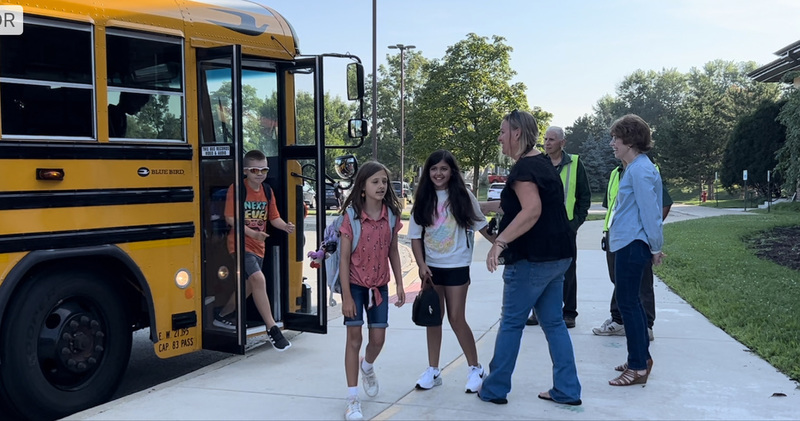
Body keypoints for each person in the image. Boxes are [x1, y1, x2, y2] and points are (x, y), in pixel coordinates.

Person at [477, 110, 581, 406]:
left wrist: (499, 243)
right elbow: (517, 204)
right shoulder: (542, 164)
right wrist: (477, 205)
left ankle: (495, 388)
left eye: (502, 132)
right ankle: (567, 389)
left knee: (511, 323)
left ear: (517, 133)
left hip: (531, 260)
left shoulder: (523, 169)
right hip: (558, 258)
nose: (500, 138)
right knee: (554, 324)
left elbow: (532, 210)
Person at [407, 150, 495, 393]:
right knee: (433, 319)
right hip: (431, 269)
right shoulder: (423, 198)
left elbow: (481, 225)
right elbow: (415, 237)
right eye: (434, 169)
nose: (438, 173)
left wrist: (500, 244)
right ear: (428, 172)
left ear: (452, 171)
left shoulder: (463, 195)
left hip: (457, 265)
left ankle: (475, 368)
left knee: (456, 318)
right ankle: (433, 370)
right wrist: (421, 265)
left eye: (443, 169)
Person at [338, 161, 406, 421]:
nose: (381, 186)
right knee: (354, 339)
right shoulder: (352, 217)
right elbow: (344, 259)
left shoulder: (391, 216)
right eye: (375, 181)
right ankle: (352, 399)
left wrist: (399, 283)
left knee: (378, 339)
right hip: (355, 286)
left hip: (379, 286)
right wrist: (346, 296)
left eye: (384, 181)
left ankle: (367, 366)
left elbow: (393, 250)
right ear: (362, 187)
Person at [605, 114, 664, 386]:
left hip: (632, 244)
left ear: (629, 141)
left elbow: (651, 212)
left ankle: (638, 367)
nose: (612, 144)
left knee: (628, 304)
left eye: (616, 138)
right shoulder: (635, 167)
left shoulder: (640, 170)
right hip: (627, 243)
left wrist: (656, 247)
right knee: (632, 304)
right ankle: (640, 358)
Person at [215, 150, 294, 352]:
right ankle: (272, 329)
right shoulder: (237, 189)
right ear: (245, 171)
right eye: (254, 170)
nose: (259, 174)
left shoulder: (267, 191)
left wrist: (285, 226)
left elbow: (273, 217)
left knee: (249, 286)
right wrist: (253, 233)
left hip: (259, 246)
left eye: (263, 170)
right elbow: (230, 218)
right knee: (259, 279)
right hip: (239, 244)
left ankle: (221, 316)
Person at [593, 160, 672, 341]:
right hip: (615, 235)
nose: (613, 146)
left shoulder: (644, 170)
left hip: (635, 238)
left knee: (642, 282)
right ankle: (618, 321)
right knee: (618, 280)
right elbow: (613, 206)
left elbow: (663, 204)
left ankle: (646, 325)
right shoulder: (616, 173)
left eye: (616, 143)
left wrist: (649, 232)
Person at [527, 126, 590, 328]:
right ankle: (538, 312)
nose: (547, 143)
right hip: (540, 228)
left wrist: (575, 223)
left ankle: (569, 313)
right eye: (545, 139)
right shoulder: (539, 163)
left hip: (565, 229)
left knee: (568, 272)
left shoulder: (575, 163)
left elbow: (584, 197)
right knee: (540, 270)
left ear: (563, 142)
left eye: (552, 139)